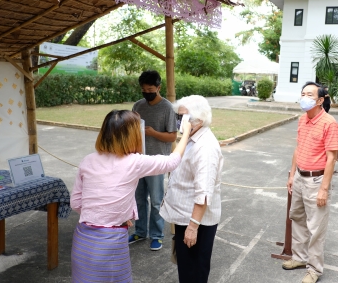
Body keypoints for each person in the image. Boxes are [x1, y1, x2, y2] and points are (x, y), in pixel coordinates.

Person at [70, 110, 192, 283]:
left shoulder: (88, 160)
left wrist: (113, 215)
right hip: (110, 242)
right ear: (133, 136)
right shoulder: (134, 162)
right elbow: (172, 161)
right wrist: (186, 131)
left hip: (83, 239)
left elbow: (76, 203)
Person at [160, 95, 223, 283]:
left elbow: (203, 193)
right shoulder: (191, 138)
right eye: (178, 116)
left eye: (183, 117)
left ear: (198, 120)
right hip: (185, 216)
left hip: (196, 221)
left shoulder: (205, 147)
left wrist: (193, 227)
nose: (179, 121)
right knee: (186, 268)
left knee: (194, 271)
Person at [282, 82, 338, 283]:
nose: (304, 97)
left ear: (320, 100)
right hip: (299, 176)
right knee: (297, 218)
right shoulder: (302, 119)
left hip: (316, 180)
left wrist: (324, 188)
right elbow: (298, 148)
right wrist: (291, 175)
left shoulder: (329, 123)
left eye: (309, 94)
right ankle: (299, 257)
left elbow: (332, 158)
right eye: (303, 93)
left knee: (316, 227)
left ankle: (314, 269)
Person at [129, 70, 177, 250]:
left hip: (157, 162)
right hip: (138, 160)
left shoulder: (167, 108)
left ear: (158, 87)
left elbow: (172, 137)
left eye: (150, 89)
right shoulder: (138, 106)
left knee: (157, 201)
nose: (146, 92)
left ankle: (157, 235)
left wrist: (153, 133)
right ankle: (140, 232)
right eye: (143, 89)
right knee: (139, 199)